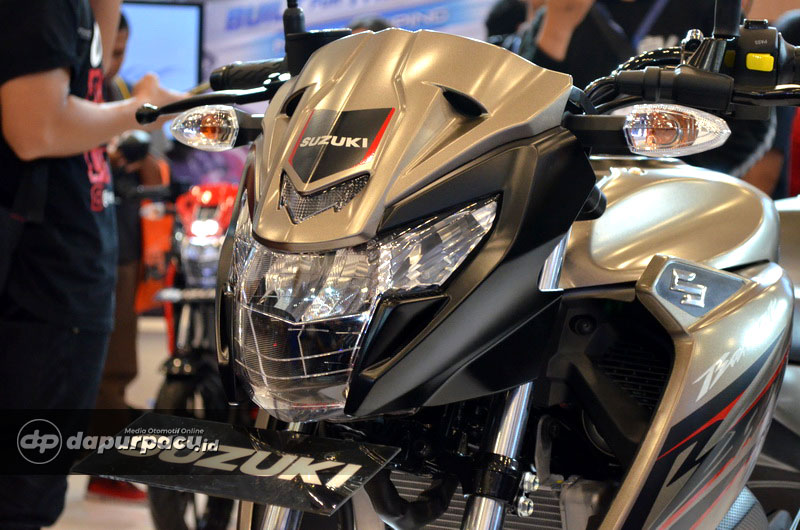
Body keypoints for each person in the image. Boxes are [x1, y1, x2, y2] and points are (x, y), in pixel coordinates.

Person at [0, 0, 179, 527]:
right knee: (20, 500)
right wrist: (142, 108)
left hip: (63, 279)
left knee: (31, 494)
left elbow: (81, 94)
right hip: (39, 285)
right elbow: (36, 129)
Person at [507, 0, 773, 181]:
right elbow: (527, 120)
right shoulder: (560, 13)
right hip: (586, 191)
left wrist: (690, 176)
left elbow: (750, 119)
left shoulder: (708, 10)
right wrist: (557, 29)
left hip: (681, 188)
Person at [86, 12, 171, 502]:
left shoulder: (120, 91)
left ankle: (107, 467)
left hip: (120, 242)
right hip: (78, 240)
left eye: (119, 51)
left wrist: (136, 156)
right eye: (106, 50)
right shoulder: (74, 91)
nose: (111, 61)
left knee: (117, 360)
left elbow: (155, 173)